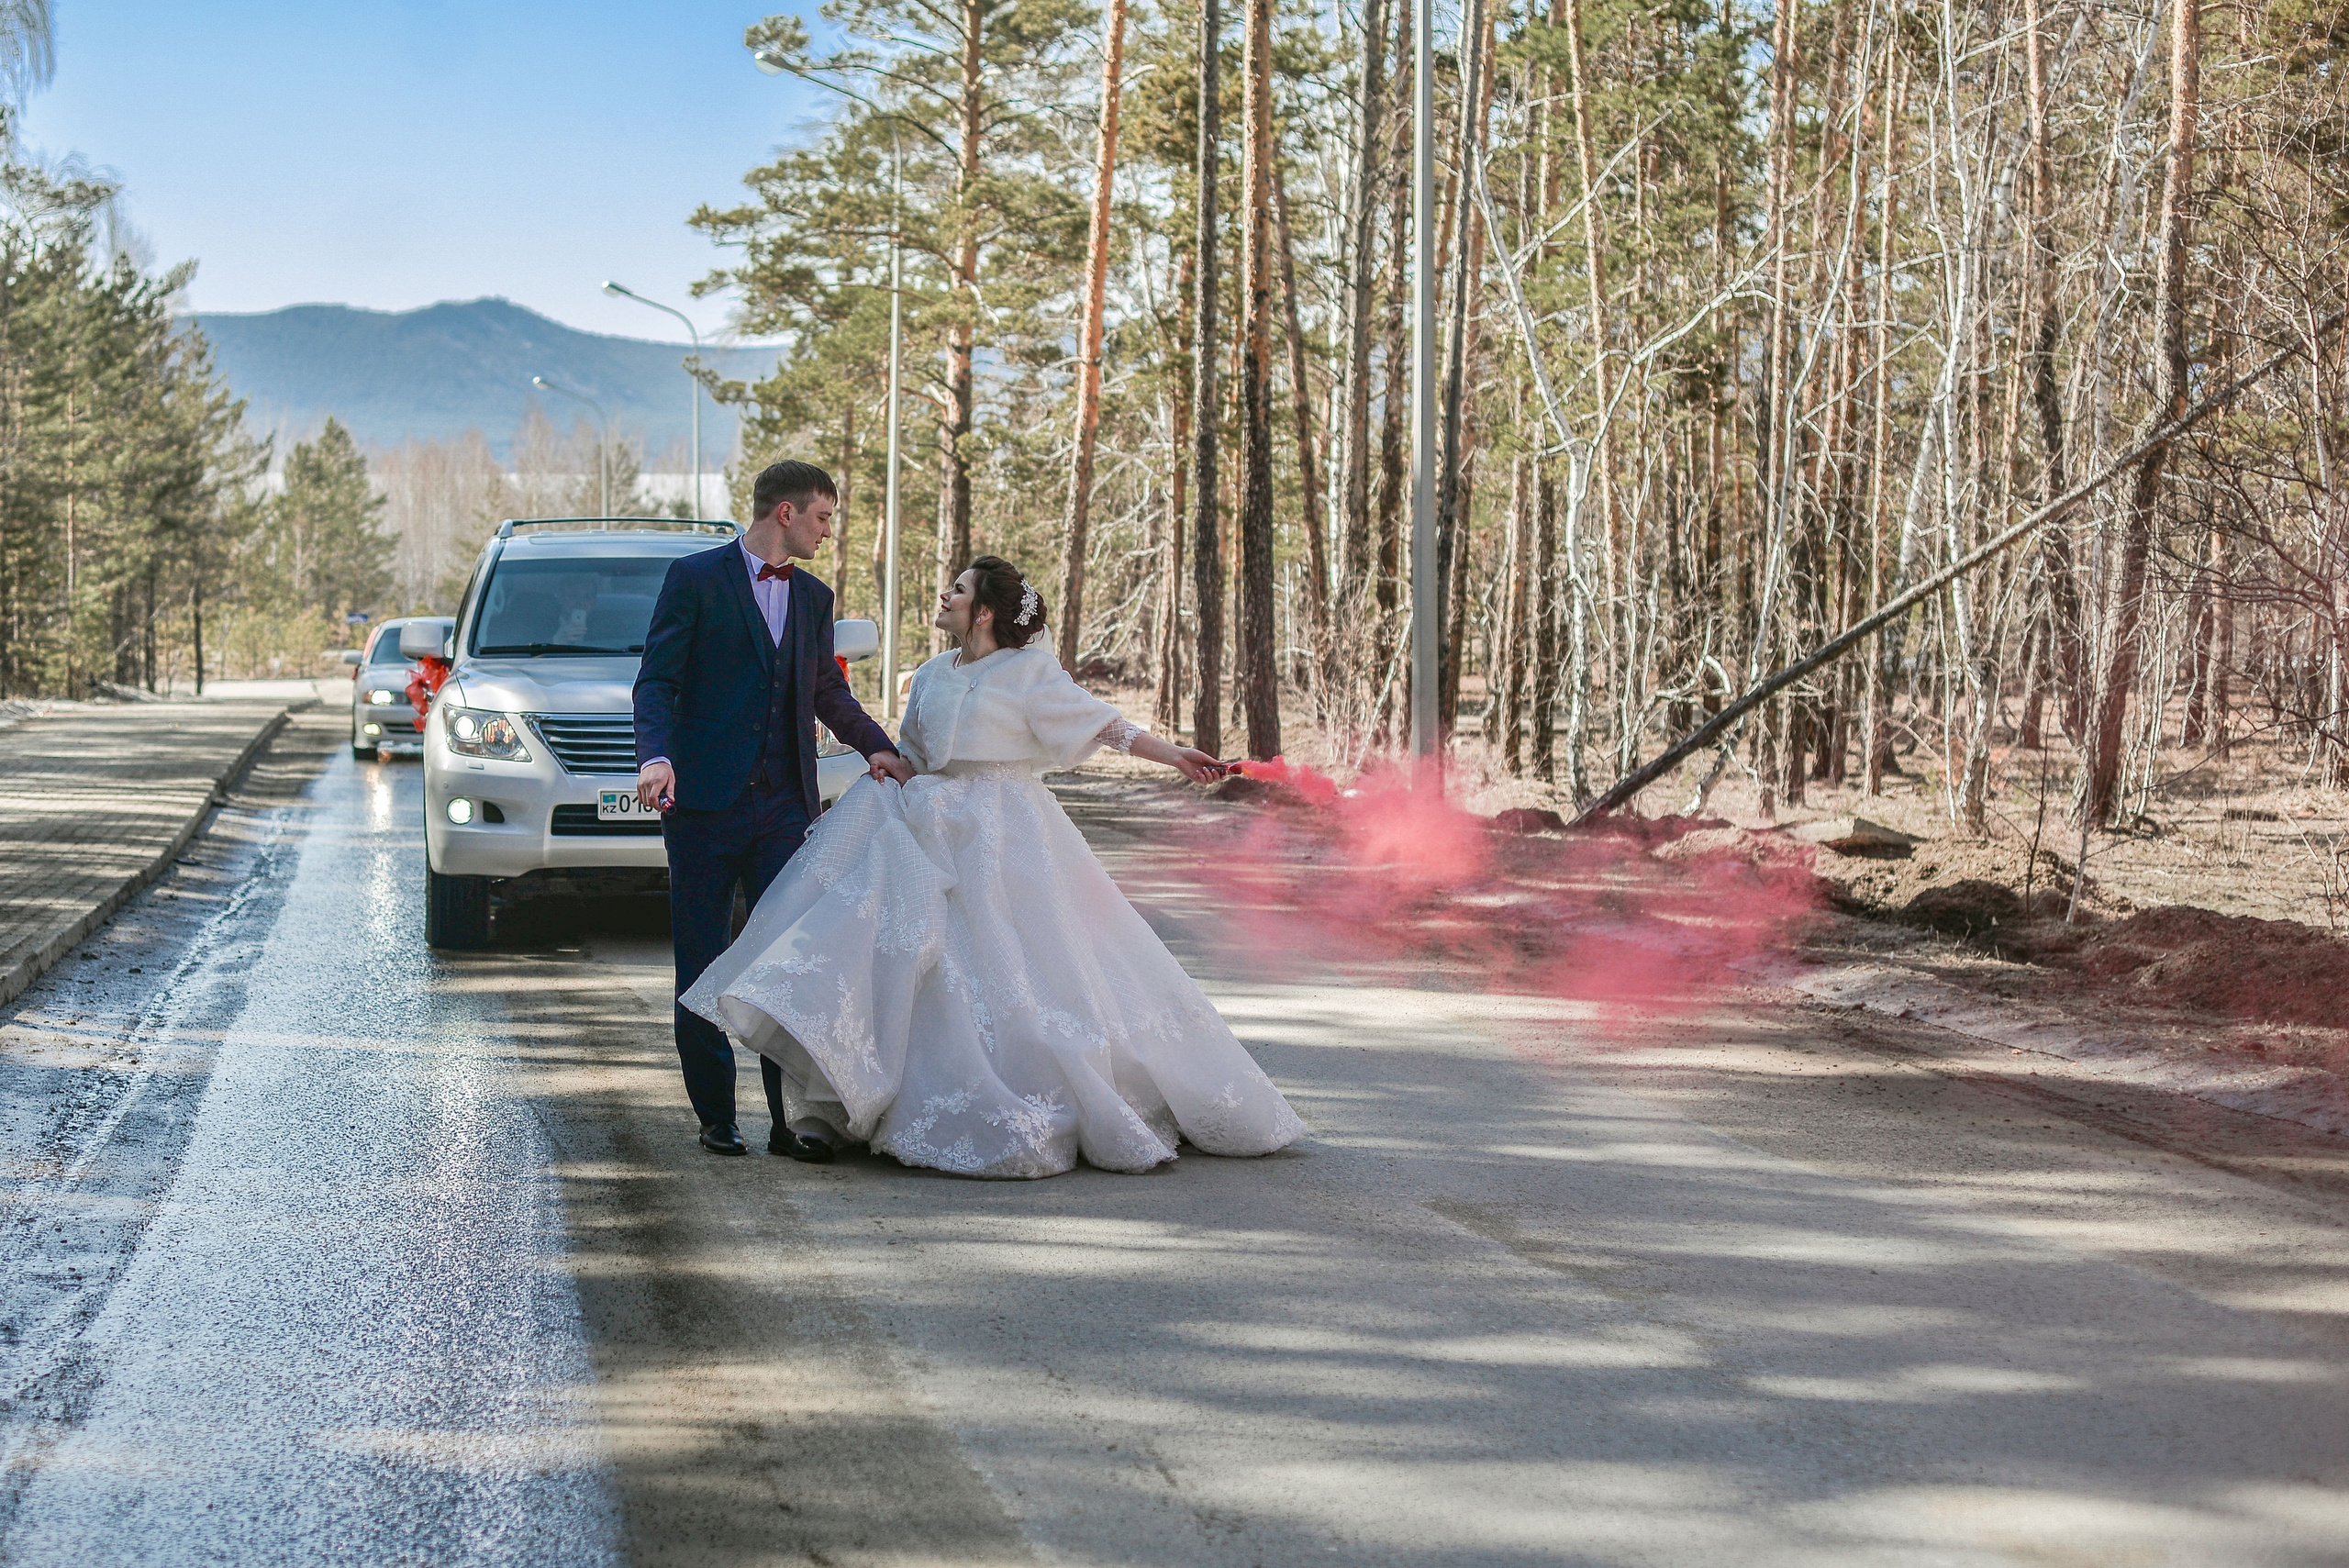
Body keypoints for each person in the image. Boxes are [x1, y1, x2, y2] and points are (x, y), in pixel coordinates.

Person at [681, 555, 1305, 1178]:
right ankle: (845, 1104)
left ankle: (1033, 1087)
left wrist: (1175, 756)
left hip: (1007, 830)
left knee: (1021, 968)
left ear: (983, 612)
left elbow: (1104, 724)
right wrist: (882, 761)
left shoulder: (1030, 671)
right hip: (929, 820)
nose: (945, 596)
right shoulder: (927, 674)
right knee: (890, 950)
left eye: (958, 590)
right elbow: (915, 753)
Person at [633, 460, 913, 1160]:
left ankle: (790, 1121)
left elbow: (828, 692)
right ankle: (716, 1113)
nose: (828, 530)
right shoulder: (694, 580)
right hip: (702, 806)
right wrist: (655, 756)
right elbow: (657, 683)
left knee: (789, 962)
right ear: (784, 513)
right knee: (701, 961)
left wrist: (877, 747)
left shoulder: (814, 598)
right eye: (822, 517)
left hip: (786, 808)